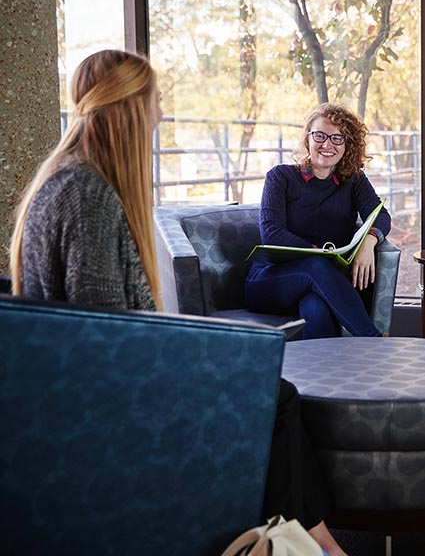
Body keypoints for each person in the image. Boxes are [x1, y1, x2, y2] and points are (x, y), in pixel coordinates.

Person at [9, 49, 349, 556]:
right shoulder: (88, 196)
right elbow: (110, 339)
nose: (161, 114)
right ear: (127, 108)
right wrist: (200, 357)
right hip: (108, 400)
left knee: (270, 387)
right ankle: (316, 544)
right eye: (156, 101)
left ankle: (310, 540)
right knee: (272, 397)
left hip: (87, 387)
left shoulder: (67, 180)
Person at [244, 103, 390, 339]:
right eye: (320, 135)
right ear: (307, 139)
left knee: (316, 308)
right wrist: (320, 253)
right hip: (269, 281)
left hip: (322, 283)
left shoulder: (354, 181)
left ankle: (322, 375)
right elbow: (271, 233)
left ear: (347, 145)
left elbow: (381, 215)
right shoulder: (280, 177)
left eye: (337, 138)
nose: (327, 144)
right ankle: (372, 340)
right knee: (316, 265)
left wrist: (369, 241)